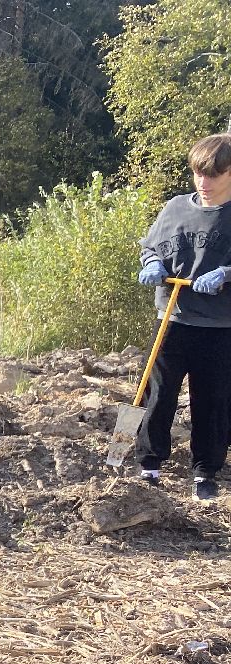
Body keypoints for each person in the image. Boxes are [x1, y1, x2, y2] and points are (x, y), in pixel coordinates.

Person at [136, 132, 231, 502]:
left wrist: (225, 274)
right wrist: (153, 263)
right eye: (198, 174)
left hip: (219, 328)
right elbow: (150, 246)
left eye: (214, 175)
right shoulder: (176, 208)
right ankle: (149, 463)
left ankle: (206, 472)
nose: (204, 183)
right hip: (171, 319)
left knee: (212, 400)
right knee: (157, 393)